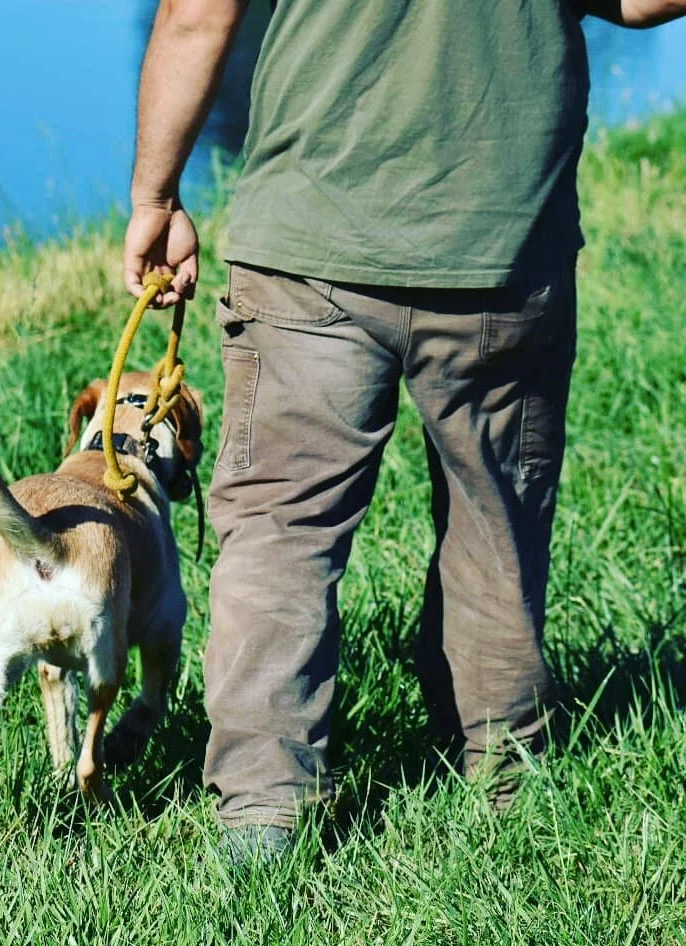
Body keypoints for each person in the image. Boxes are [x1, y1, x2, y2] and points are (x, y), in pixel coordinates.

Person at [123, 0, 686, 858]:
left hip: (311, 239)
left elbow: (197, 13)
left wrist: (155, 195)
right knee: (494, 521)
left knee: (282, 528)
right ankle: (507, 784)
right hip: (501, 246)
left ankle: (264, 814)